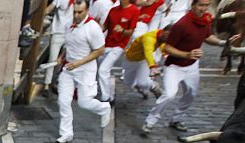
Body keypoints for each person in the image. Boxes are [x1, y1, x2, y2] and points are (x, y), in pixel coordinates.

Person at [141, 0, 229, 135]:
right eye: (200, 5)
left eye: (206, 6)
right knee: (169, 95)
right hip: (174, 67)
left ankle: (177, 119)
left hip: (192, 66)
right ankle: (150, 121)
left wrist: (224, 43)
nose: (203, 9)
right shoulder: (182, 25)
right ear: (192, 5)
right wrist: (187, 54)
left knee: (191, 94)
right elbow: (168, 48)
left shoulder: (205, 20)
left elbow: (208, 36)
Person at [56, 0, 112, 143]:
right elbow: (68, 43)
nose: (76, 15)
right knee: (63, 101)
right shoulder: (70, 24)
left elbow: (99, 50)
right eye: (74, 11)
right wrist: (61, 57)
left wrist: (79, 63)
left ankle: (104, 108)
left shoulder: (93, 28)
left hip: (85, 69)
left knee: (84, 103)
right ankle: (66, 133)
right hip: (69, 68)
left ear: (87, 10)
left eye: (80, 12)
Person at [98, 0, 140, 103]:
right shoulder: (113, 10)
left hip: (119, 46)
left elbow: (131, 31)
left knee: (103, 69)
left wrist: (122, 30)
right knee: (101, 68)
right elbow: (105, 27)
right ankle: (110, 95)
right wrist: (96, 27)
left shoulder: (134, 10)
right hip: (107, 44)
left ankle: (106, 98)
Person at [123, 24, 170, 99]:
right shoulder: (149, 38)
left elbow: (163, 45)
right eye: (167, 34)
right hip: (131, 60)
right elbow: (148, 51)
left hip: (143, 61)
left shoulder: (162, 37)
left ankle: (154, 87)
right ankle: (141, 88)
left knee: (142, 82)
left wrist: (166, 55)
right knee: (128, 82)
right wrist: (153, 67)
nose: (168, 37)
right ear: (163, 30)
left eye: (170, 36)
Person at [43, 0, 74, 96]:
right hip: (58, 32)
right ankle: (46, 84)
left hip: (71, 33)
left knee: (64, 60)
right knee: (52, 59)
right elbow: (49, 9)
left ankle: (55, 81)